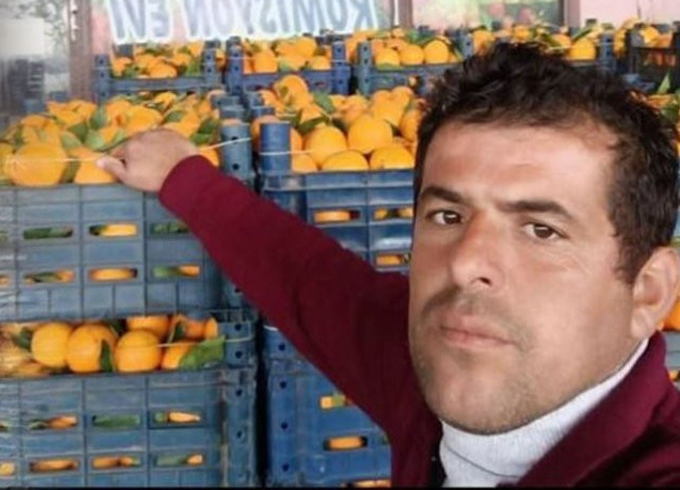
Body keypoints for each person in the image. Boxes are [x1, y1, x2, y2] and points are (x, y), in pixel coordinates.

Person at [99, 43, 680, 485]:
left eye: (541, 230)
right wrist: (185, 176)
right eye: (448, 216)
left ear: (648, 292)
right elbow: (310, 282)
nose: (466, 263)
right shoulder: (429, 364)